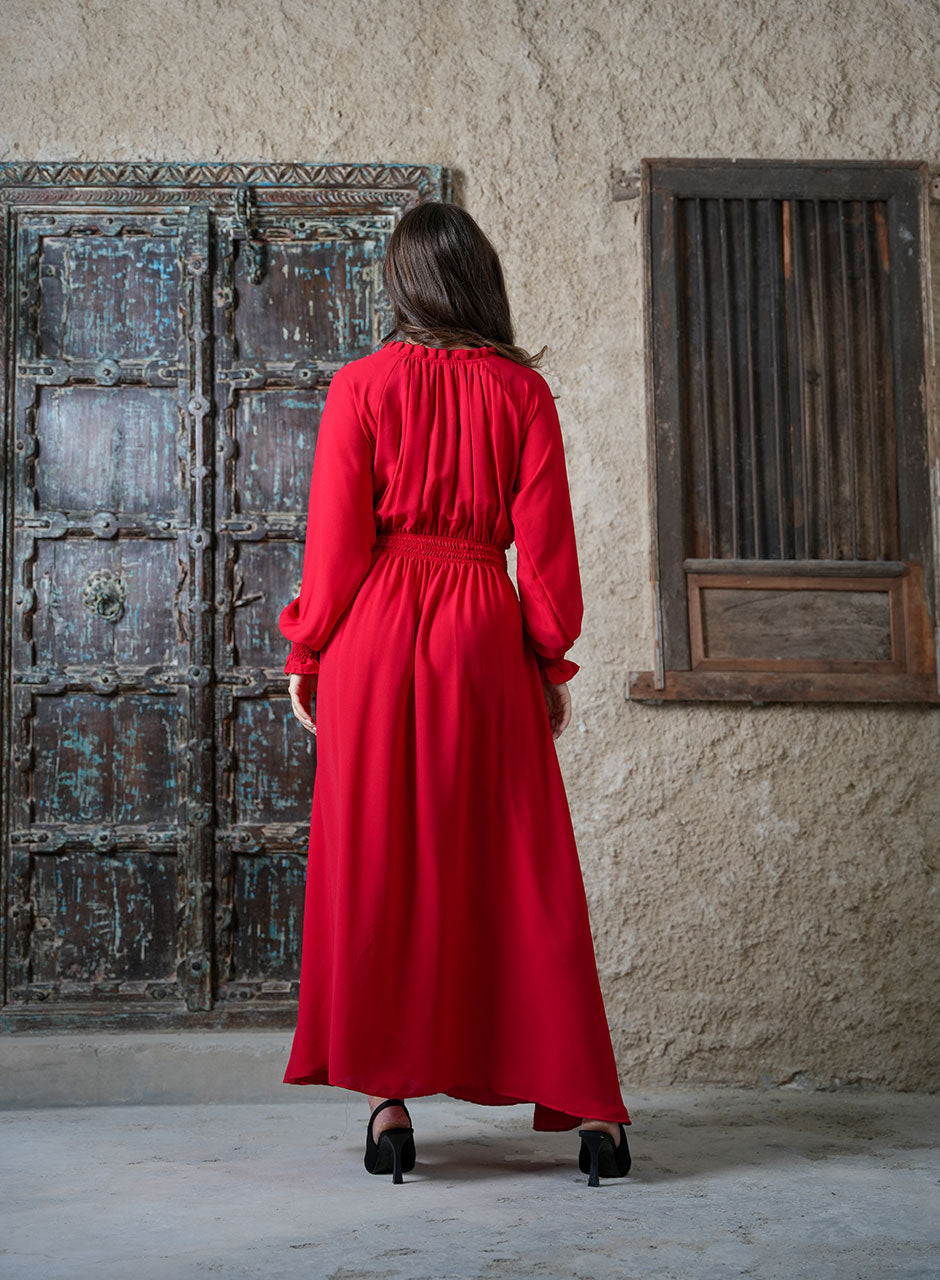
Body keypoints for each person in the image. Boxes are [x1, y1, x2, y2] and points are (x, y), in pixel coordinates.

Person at [278, 201, 632, 1187]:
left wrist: (308, 651)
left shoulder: (359, 385)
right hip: (483, 629)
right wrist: (543, 657)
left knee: (380, 859)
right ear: (480, 280)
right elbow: (549, 562)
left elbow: (337, 545)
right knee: (523, 865)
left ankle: (389, 1102)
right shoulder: (522, 392)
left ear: (402, 286)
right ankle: (595, 1113)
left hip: (375, 636)